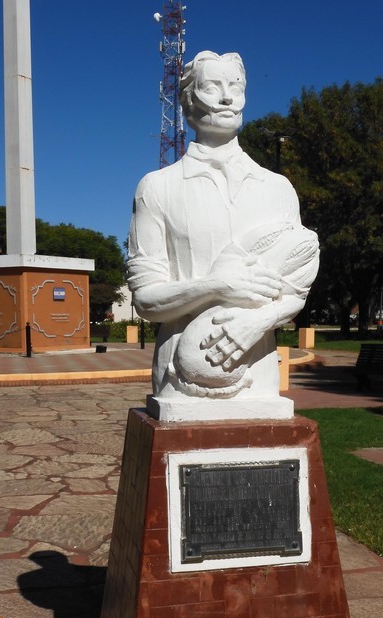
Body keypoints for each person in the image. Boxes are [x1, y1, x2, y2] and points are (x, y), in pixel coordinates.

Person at [128, 51, 319, 420]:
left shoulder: (277, 188)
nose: (227, 97)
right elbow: (146, 300)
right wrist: (216, 287)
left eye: (236, 87)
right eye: (212, 87)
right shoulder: (157, 188)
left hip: (259, 374)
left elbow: (295, 290)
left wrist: (256, 322)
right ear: (187, 100)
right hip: (179, 379)